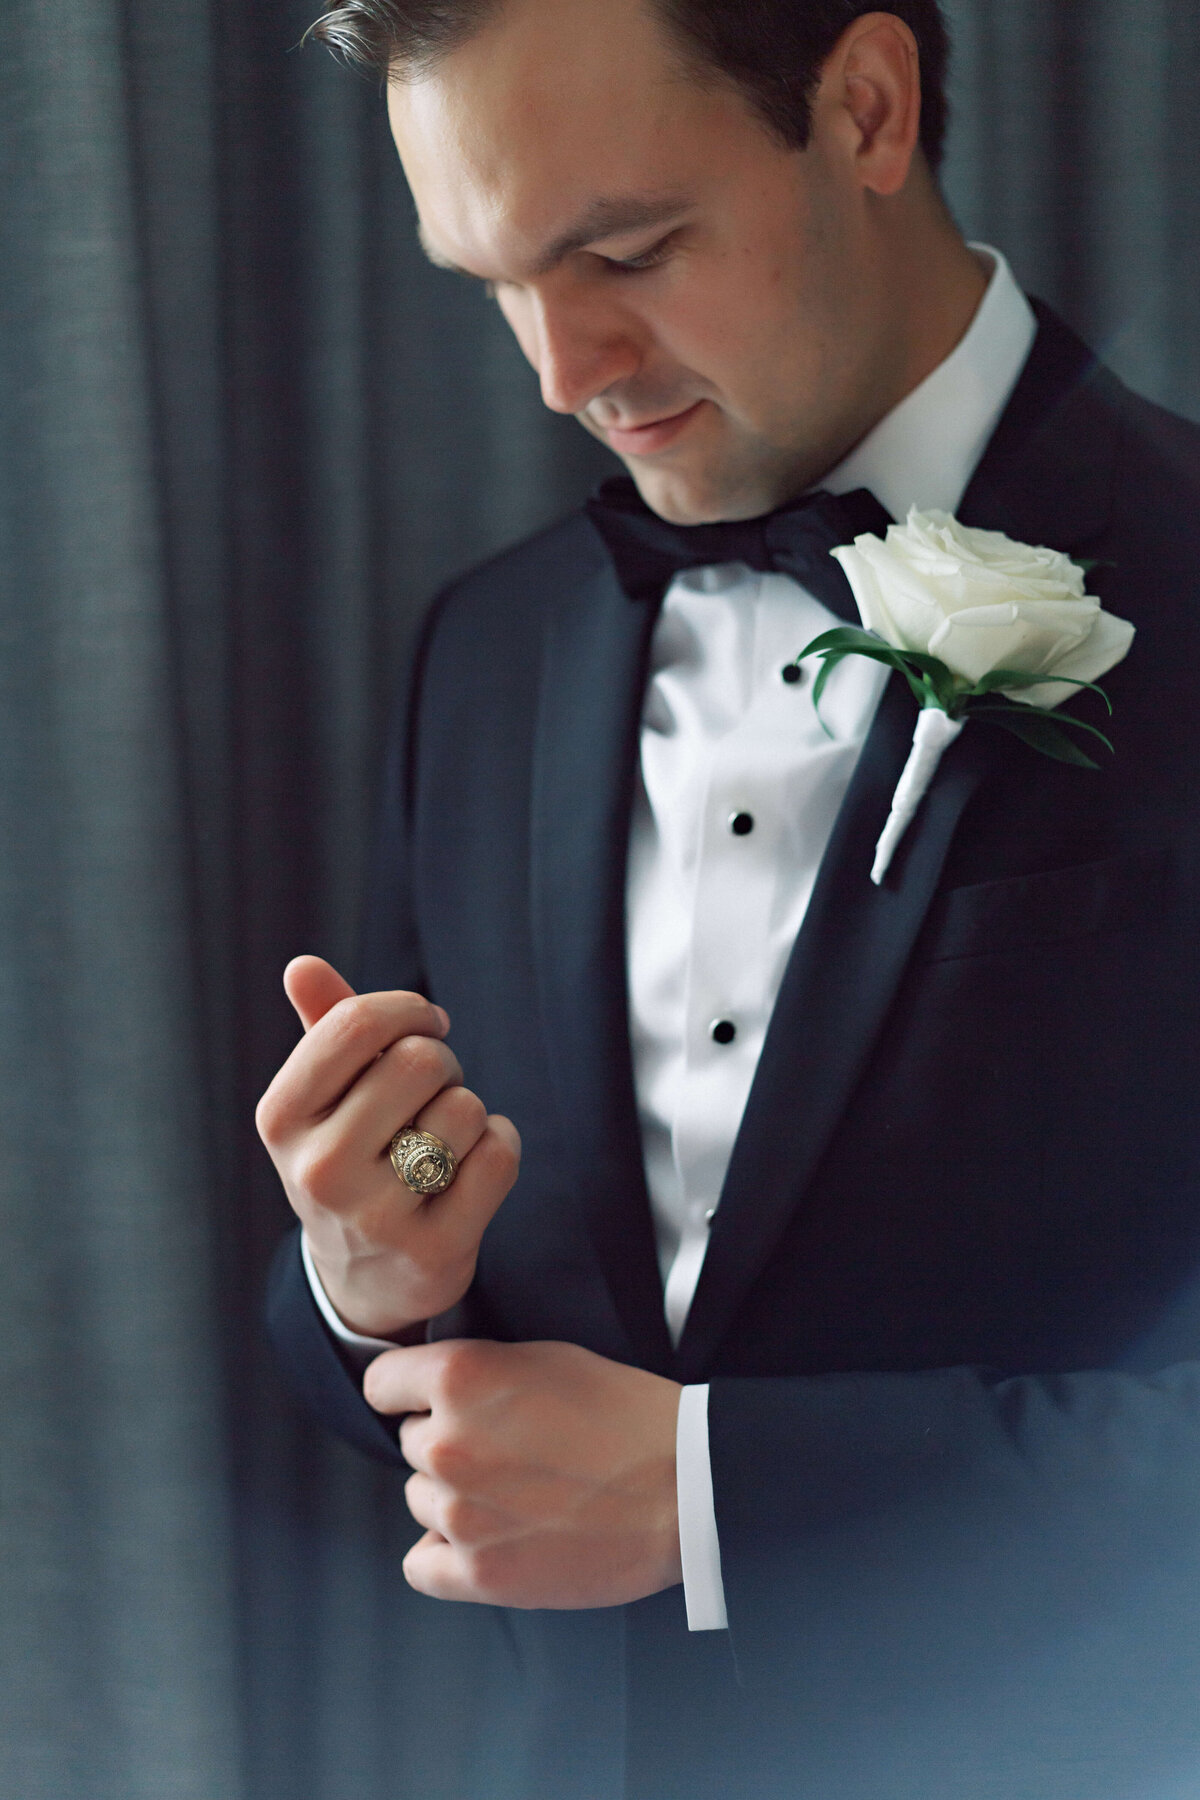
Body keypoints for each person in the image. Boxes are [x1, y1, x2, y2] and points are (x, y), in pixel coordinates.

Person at [258, 2, 1200, 1795]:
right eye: (492, 283)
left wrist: (715, 1494)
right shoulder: (489, 650)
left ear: (863, 107)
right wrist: (367, 1282)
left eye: (622, 249)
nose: (561, 368)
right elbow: (429, 1377)